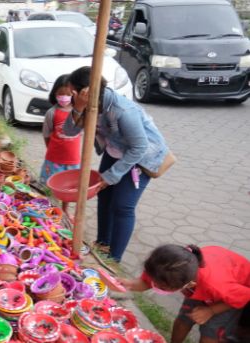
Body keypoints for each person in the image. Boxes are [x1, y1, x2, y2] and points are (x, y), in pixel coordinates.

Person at [63, 66, 170, 262]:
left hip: (141, 158)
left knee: (122, 206)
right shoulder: (86, 102)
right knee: (104, 196)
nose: (70, 95)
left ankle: (114, 258)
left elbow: (139, 147)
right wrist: (78, 107)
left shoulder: (122, 110)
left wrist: (112, 175)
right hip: (115, 151)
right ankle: (103, 243)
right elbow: (69, 132)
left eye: (73, 91)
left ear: (86, 90)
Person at [119, 244, 250, 343]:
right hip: (208, 281)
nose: (154, 286)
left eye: (161, 287)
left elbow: (244, 297)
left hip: (231, 296)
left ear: (188, 285)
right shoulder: (165, 267)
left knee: (210, 333)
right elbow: (146, 283)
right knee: (184, 319)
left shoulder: (217, 285)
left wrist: (211, 311)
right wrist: (127, 284)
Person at [40, 74, 81, 217]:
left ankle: (64, 211)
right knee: (52, 186)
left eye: (67, 94)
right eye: (60, 94)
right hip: (54, 159)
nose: (63, 97)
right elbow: (46, 134)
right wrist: (51, 150)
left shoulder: (79, 113)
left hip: (73, 160)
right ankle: (51, 209)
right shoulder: (51, 113)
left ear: (74, 94)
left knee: (68, 188)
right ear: (54, 94)